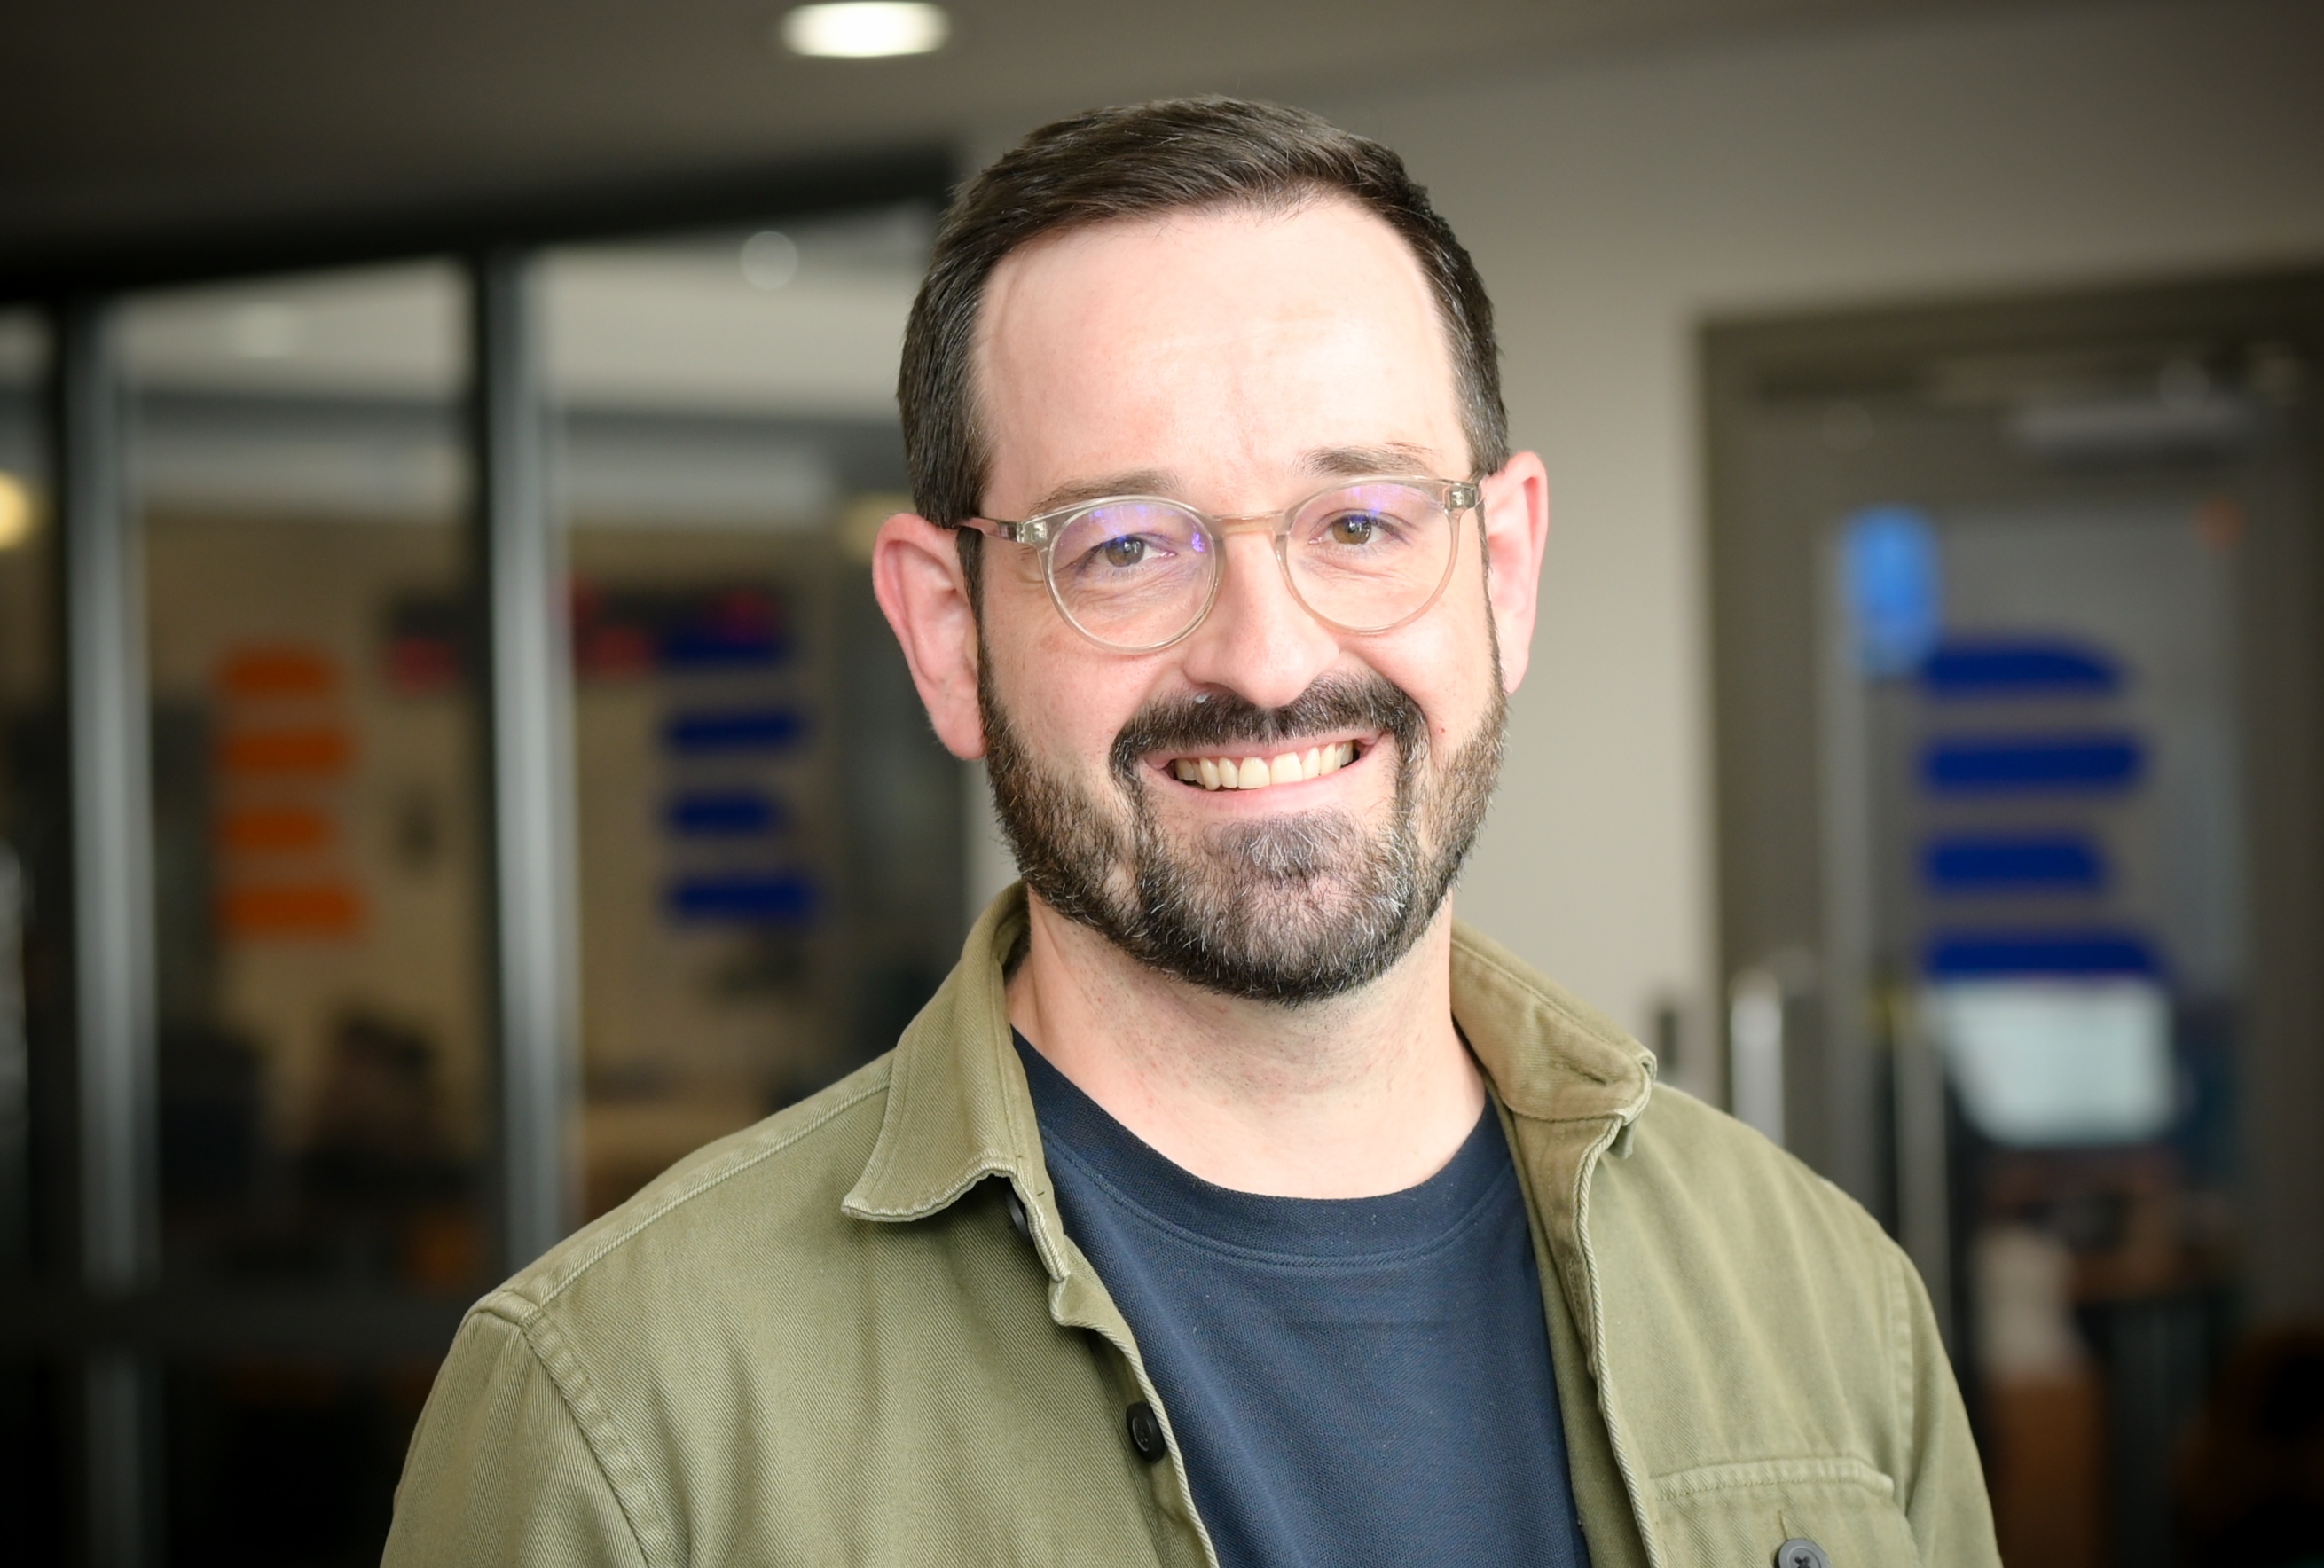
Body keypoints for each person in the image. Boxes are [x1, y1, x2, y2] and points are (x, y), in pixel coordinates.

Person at [381, 97, 1997, 1567]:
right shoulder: (622, 1414)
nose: (1268, 659)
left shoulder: (1819, 1297)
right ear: (946, 632)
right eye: (1126, 545)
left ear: (1502, 569)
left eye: (1357, 520)